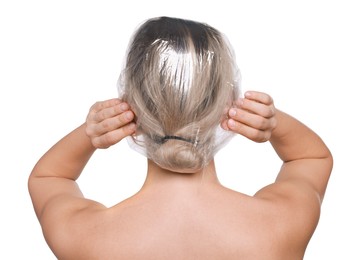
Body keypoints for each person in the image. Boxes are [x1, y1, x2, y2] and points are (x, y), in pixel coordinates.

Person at [28, 17, 333, 259]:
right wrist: (273, 122)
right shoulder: (278, 228)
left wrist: (90, 132)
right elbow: (311, 158)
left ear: (131, 103)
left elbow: (48, 178)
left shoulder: (88, 237)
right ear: (228, 102)